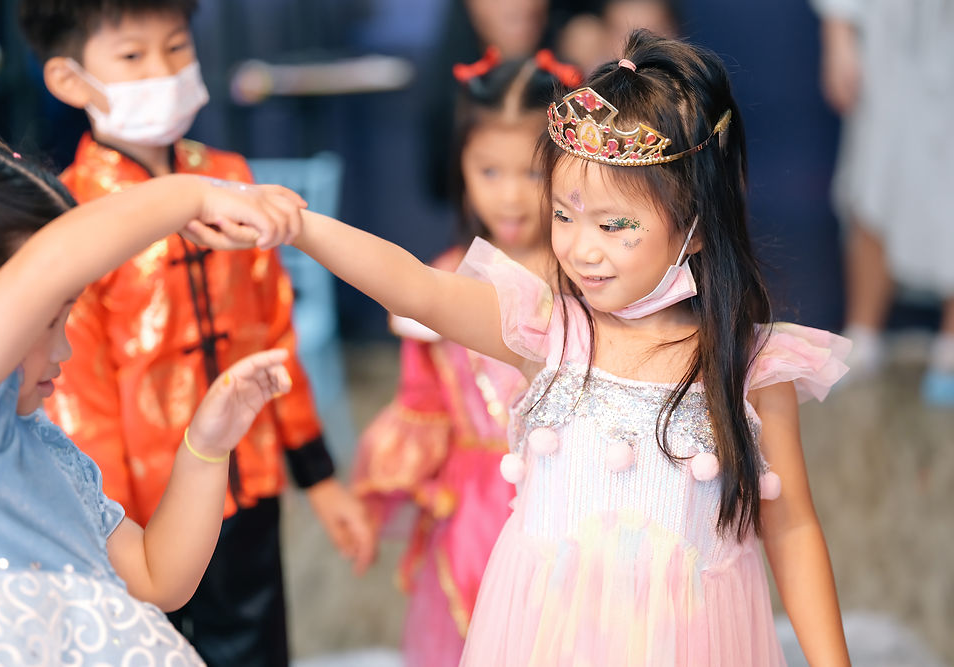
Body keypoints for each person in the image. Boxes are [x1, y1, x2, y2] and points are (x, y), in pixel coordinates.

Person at [284, 31, 853, 665]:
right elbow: (417, 288)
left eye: (613, 225)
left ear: (695, 227)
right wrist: (298, 225)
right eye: (563, 215)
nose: (582, 249)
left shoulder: (751, 367)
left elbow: (791, 526)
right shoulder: (548, 329)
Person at [16, 2, 373, 664]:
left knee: (259, 644)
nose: (163, 69)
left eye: (177, 46)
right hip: (144, 512)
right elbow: (80, 399)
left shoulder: (232, 178)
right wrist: (112, 535)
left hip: (250, 481)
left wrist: (319, 477)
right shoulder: (71, 217)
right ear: (68, 78)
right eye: (132, 55)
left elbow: (273, 333)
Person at [0, 130, 300, 664]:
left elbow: (158, 577)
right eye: (46, 320)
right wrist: (193, 193)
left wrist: (206, 447)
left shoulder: (52, 453)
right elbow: (49, 265)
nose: (64, 348)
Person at [352, 51, 578, 667]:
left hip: (575, 505)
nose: (510, 196)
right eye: (488, 171)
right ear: (462, 167)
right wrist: (376, 503)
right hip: (473, 515)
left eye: (532, 172)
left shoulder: (592, 278)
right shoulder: (441, 286)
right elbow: (422, 404)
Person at [812, 0, 954, 405]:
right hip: (889, 44)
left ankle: (951, 345)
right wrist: (839, 36)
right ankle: (863, 336)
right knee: (873, 182)